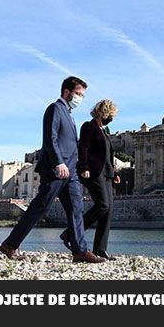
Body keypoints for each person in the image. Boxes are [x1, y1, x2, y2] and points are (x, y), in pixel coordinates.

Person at [0, 76, 105, 263]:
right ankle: (10, 245)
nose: (80, 98)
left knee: (76, 208)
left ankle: (80, 251)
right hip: (57, 169)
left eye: (82, 95)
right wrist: (58, 163)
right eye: (78, 94)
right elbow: (50, 138)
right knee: (40, 206)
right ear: (67, 92)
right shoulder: (55, 109)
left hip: (71, 171)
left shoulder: (69, 114)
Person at [60, 99, 121, 260]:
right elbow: (83, 147)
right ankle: (70, 234)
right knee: (102, 205)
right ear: (103, 113)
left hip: (106, 173)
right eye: (110, 115)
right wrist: (84, 167)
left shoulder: (104, 131)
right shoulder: (89, 126)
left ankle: (100, 250)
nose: (111, 119)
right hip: (93, 173)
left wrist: (114, 174)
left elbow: (108, 156)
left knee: (108, 211)